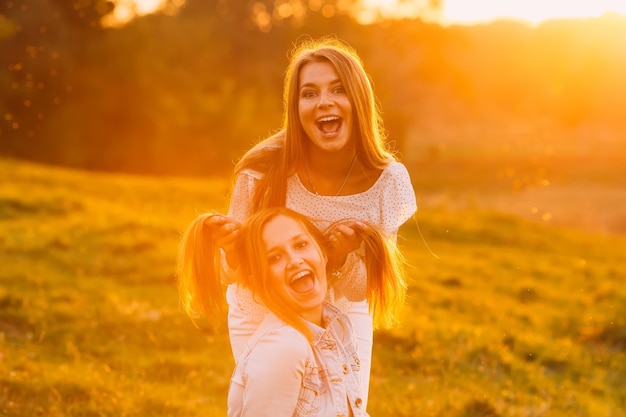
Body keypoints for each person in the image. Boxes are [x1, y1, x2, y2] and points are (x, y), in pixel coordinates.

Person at [195, 36, 417, 408]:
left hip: (342, 313)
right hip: (264, 307)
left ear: (358, 101)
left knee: (344, 407)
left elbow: (365, 287)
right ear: (296, 108)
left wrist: (343, 258)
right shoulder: (263, 170)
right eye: (309, 93)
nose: (324, 102)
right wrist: (234, 251)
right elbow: (230, 272)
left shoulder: (388, 181)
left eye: (338, 90)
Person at [178, 207, 405, 416]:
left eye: (301, 245)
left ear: (324, 256)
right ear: (258, 282)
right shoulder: (283, 347)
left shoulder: (338, 327)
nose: (294, 261)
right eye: (275, 258)